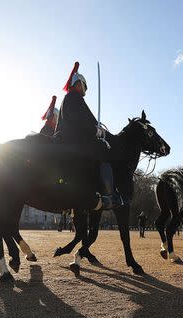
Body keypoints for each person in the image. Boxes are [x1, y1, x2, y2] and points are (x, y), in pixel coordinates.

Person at [53, 61, 121, 210]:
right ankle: (108, 196)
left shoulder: (70, 98)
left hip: (68, 138)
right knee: (103, 148)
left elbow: (85, 119)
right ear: (79, 84)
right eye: (85, 86)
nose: (86, 89)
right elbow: (82, 120)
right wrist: (96, 130)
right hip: (73, 140)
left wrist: (97, 128)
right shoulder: (75, 97)